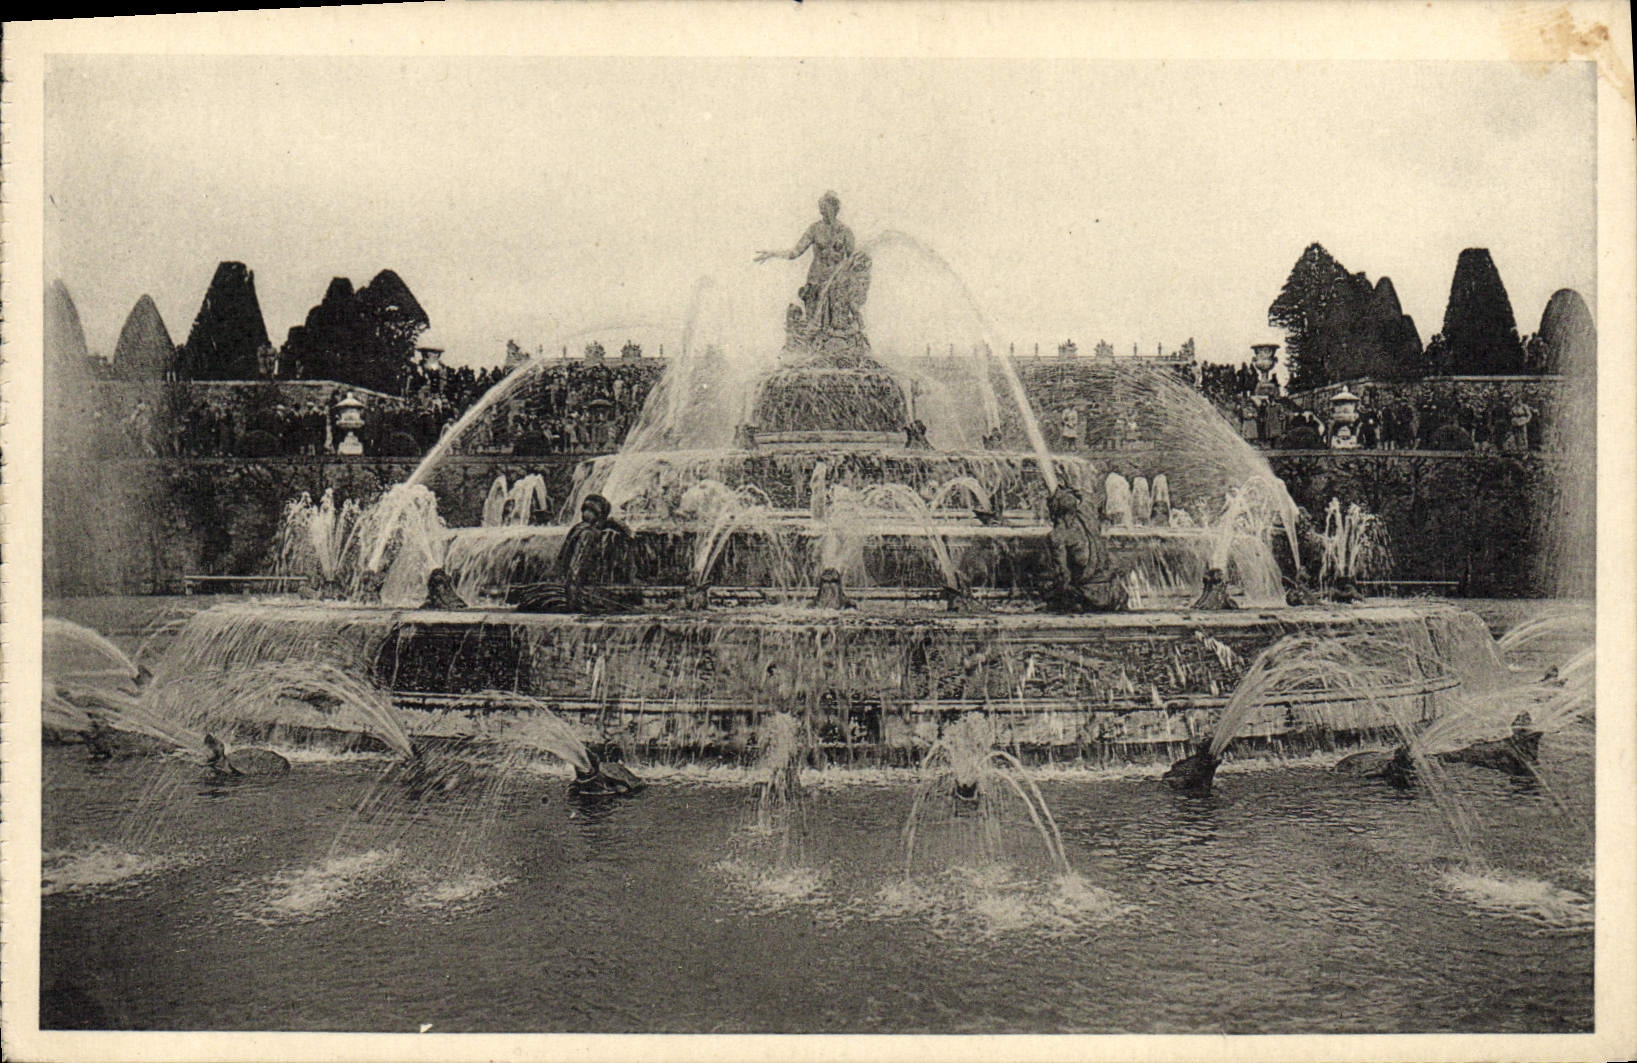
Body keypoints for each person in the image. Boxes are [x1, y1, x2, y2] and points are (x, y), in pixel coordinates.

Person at [515, 494, 638, 613]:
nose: (585, 513)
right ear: (601, 516)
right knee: (623, 606)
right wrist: (574, 604)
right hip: (572, 591)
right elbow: (575, 569)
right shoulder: (588, 534)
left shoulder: (578, 528)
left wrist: (613, 523)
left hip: (563, 586)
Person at [1044, 486, 1127, 613]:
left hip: (1088, 598)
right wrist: (1073, 489)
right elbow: (1088, 498)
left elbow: (1063, 576)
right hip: (1114, 593)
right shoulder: (1089, 517)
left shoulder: (1058, 536)